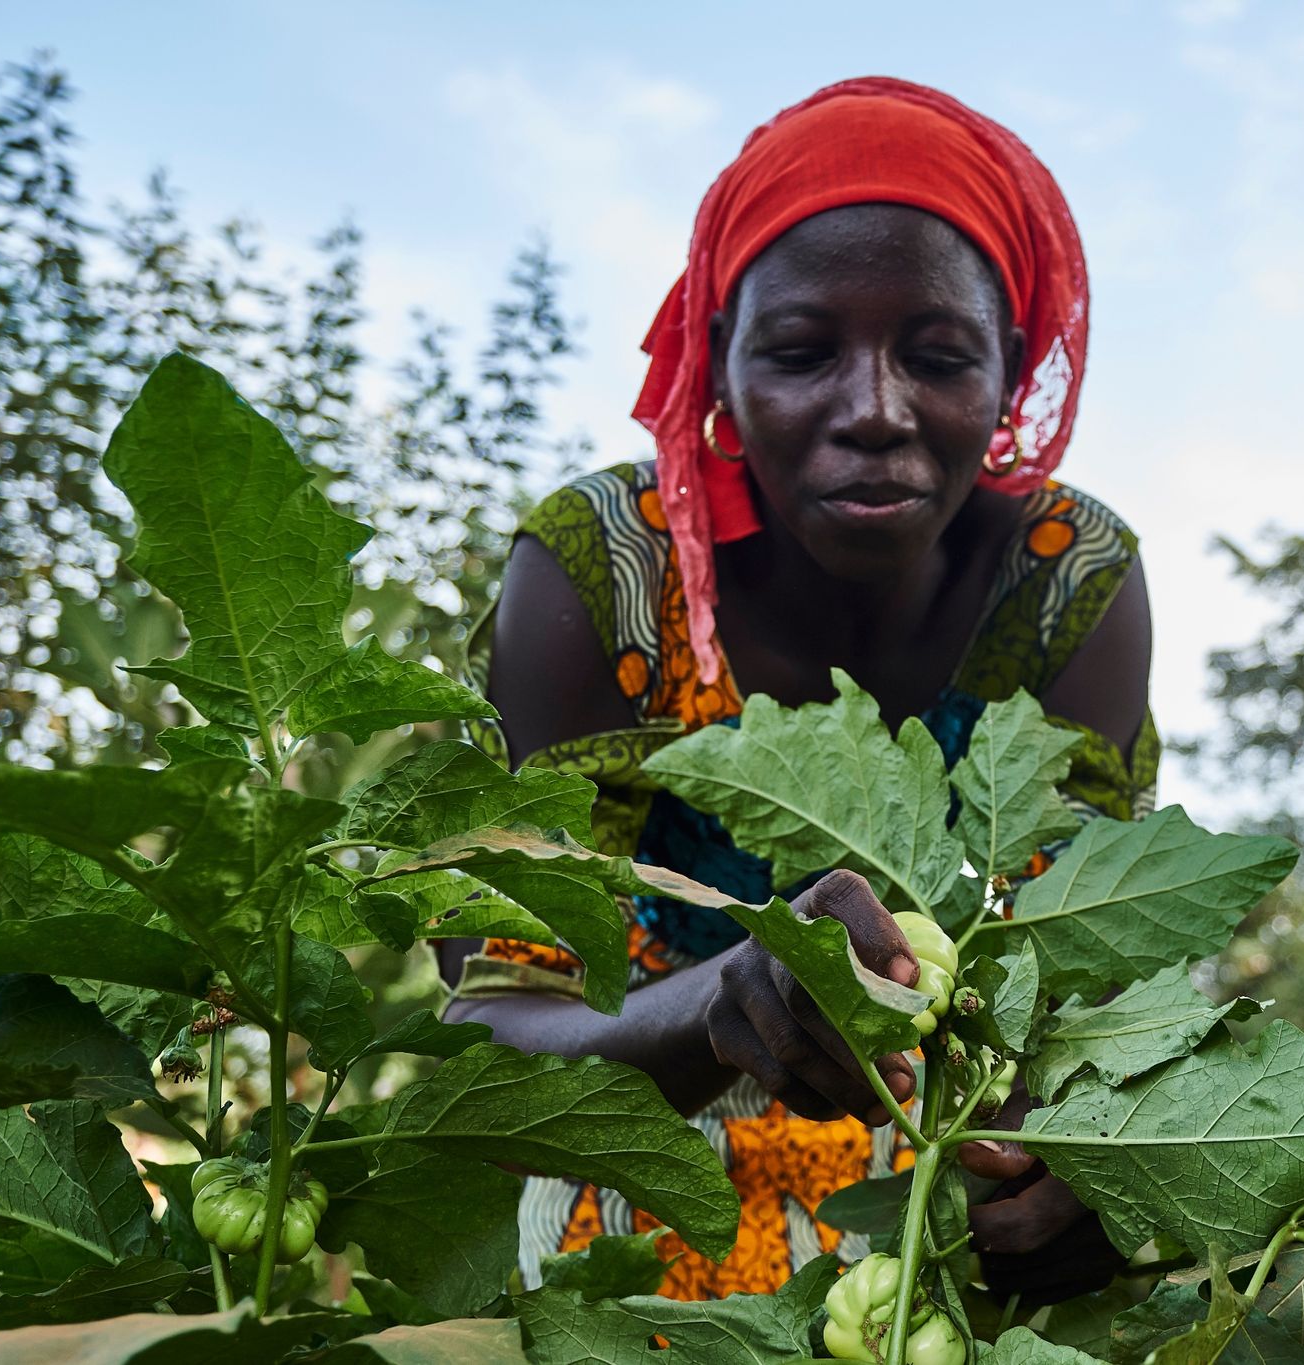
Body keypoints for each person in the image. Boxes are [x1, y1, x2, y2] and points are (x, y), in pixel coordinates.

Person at [435, 77, 1156, 1302]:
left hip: (938, 1204)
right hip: (644, 1184)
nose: (873, 410)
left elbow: (1089, 971)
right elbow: (491, 1035)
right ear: (718, 362)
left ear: (1009, 370)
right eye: (801, 352)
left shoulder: (1065, 580)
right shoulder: (606, 573)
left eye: (936, 357)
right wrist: (726, 996)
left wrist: (1096, 1170)